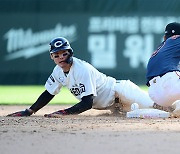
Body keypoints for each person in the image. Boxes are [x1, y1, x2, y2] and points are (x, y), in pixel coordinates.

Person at [7, 37, 154, 118]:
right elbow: (49, 93)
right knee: (146, 114)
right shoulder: (57, 71)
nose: (61, 57)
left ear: (71, 53)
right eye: (56, 55)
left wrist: (64, 112)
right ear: (52, 57)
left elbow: (87, 103)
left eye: (64, 53)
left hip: (121, 91)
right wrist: (30, 111)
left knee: (157, 107)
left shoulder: (82, 69)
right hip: (114, 106)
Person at [146, 22, 180, 116]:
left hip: (155, 94)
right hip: (170, 84)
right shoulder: (176, 39)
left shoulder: (162, 47)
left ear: (165, 37)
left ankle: (171, 105)